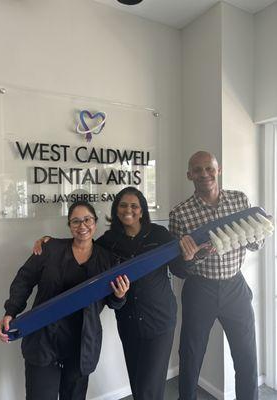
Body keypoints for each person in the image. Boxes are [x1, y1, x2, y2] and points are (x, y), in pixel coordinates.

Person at [33, 186, 187, 400]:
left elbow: (181, 270)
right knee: (136, 381)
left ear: (142, 210)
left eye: (134, 206)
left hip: (159, 320)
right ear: (116, 210)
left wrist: (189, 256)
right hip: (129, 321)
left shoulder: (160, 235)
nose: (128, 210)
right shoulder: (108, 241)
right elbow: (83, 244)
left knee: (149, 388)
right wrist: (50, 241)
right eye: (123, 205)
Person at [0, 200, 129, 400]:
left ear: (95, 222)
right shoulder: (50, 249)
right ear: (69, 225)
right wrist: (10, 312)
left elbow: (113, 302)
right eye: (75, 221)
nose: (82, 226)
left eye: (87, 220)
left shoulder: (108, 260)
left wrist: (120, 296)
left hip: (81, 347)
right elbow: (24, 280)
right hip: (44, 342)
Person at [169, 151, 264, 400]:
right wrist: (195, 255)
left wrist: (260, 232)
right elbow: (178, 267)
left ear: (218, 170)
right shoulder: (180, 213)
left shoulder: (239, 200)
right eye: (197, 170)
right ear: (189, 175)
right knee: (190, 355)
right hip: (200, 289)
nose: (204, 174)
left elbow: (254, 244)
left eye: (209, 168)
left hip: (236, 287)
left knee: (246, 356)